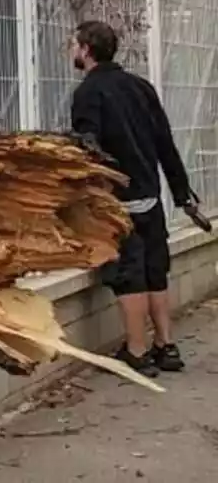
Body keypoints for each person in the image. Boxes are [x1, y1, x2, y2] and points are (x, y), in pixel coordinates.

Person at [70, 20, 210, 376]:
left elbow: (89, 148)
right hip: (150, 198)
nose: (72, 51)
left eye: (74, 44)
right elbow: (165, 143)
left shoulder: (89, 92)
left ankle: (136, 352)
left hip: (118, 202)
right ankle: (166, 346)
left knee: (128, 276)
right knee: (154, 271)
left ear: (86, 49)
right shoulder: (141, 87)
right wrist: (183, 196)